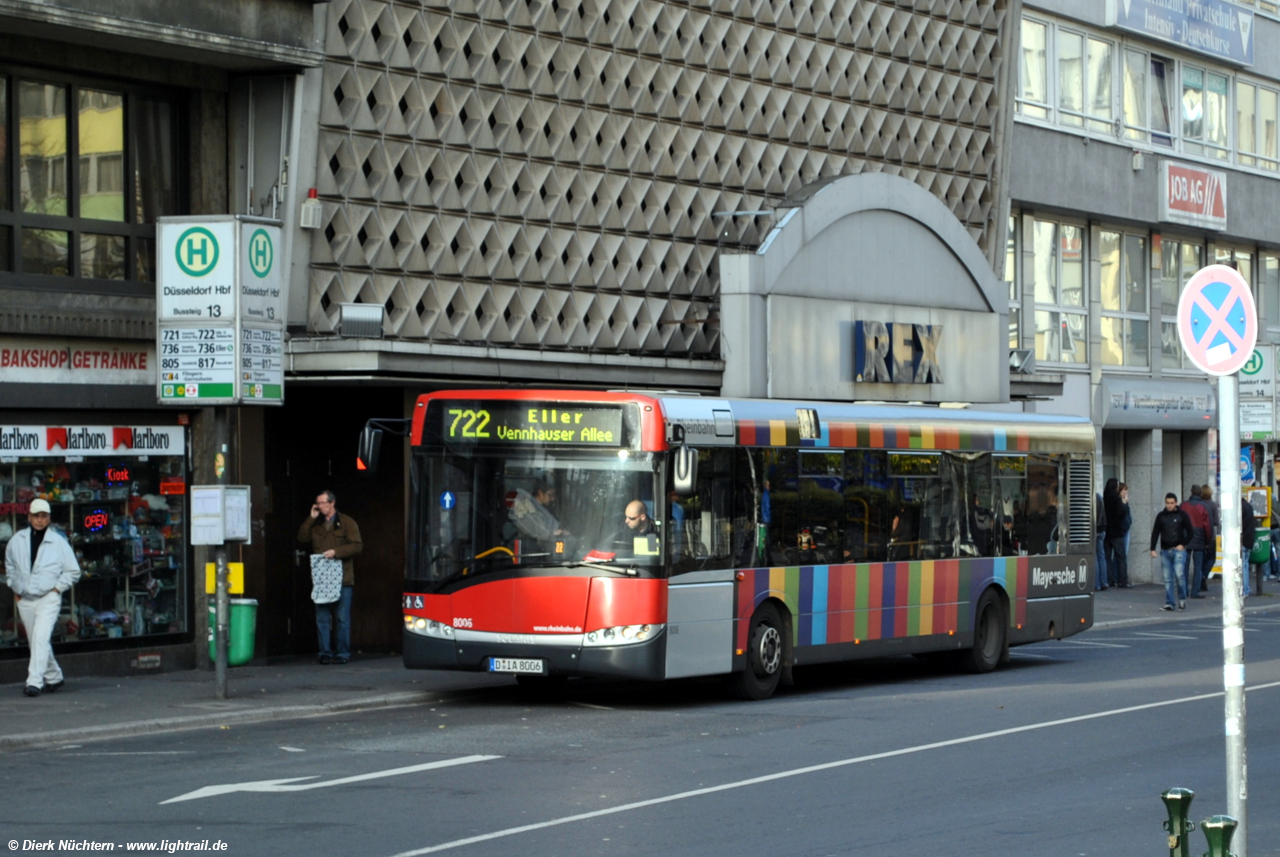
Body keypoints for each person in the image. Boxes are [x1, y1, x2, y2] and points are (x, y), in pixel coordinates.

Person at [3, 499, 81, 697]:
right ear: (29, 517)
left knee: (40, 638)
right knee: (37, 641)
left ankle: (34, 682)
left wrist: (57, 589)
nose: (39, 520)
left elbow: (73, 571)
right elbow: (9, 565)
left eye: (43, 516)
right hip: (25, 597)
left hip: (48, 597)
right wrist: (15, 586)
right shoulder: (17, 540)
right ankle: (54, 676)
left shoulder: (59, 542)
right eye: (36, 516)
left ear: (49, 518)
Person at [297, 490, 363, 665]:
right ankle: (324, 653)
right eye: (318, 503)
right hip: (322, 579)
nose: (320, 506)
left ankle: (342, 653)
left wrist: (336, 552)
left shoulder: (347, 522)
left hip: (343, 578)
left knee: (342, 618)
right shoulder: (316, 523)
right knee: (322, 618)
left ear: (332, 503)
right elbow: (302, 538)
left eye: (323, 503)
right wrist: (311, 518)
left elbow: (357, 546)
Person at [1150, 493, 1193, 611]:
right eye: (1168, 503)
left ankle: (1182, 598)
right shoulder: (1161, 516)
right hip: (1165, 550)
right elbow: (1155, 532)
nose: (1169, 505)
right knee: (1167, 578)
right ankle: (1170, 602)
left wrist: (1183, 544)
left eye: (1172, 503)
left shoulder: (1182, 515)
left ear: (1176, 503)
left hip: (1178, 550)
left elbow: (1191, 532)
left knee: (1179, 575)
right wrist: (1152, 549)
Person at [1180, 486, 1210, 601]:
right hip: (1199, 538)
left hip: (1185, 538)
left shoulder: (1183, 505)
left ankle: (1184, 591)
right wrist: (1207, 541)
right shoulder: (1203, 506)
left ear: (1191, 492)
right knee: (1198, 567)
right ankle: (1195, 591)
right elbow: (1208, 526)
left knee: (1184, 566)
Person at [1201, 485, 1220, 593]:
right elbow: (1216, 521)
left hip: (1200, 535)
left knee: (1202, 559)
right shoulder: (1213, 505)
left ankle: (1201, 577)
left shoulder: (1199, 504)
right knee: (1211, 558)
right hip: (1211, 535)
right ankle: (1204, 575)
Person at [1242, 496, 1257, 599]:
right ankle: (1246, 588)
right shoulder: (1249, 506)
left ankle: (1245, 589)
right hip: (1249, 539)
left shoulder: (1241, 508)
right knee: (1245, 565)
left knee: (1243, 566)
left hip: (1243, 540)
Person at [1094, 489, 1108, 591]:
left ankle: (1096, 584)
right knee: (1101, 556)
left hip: (1095, 529)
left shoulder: (1091, 498)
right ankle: (1104, 582)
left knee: (1094, 556)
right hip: (1102, 528)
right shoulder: (1099, 496)